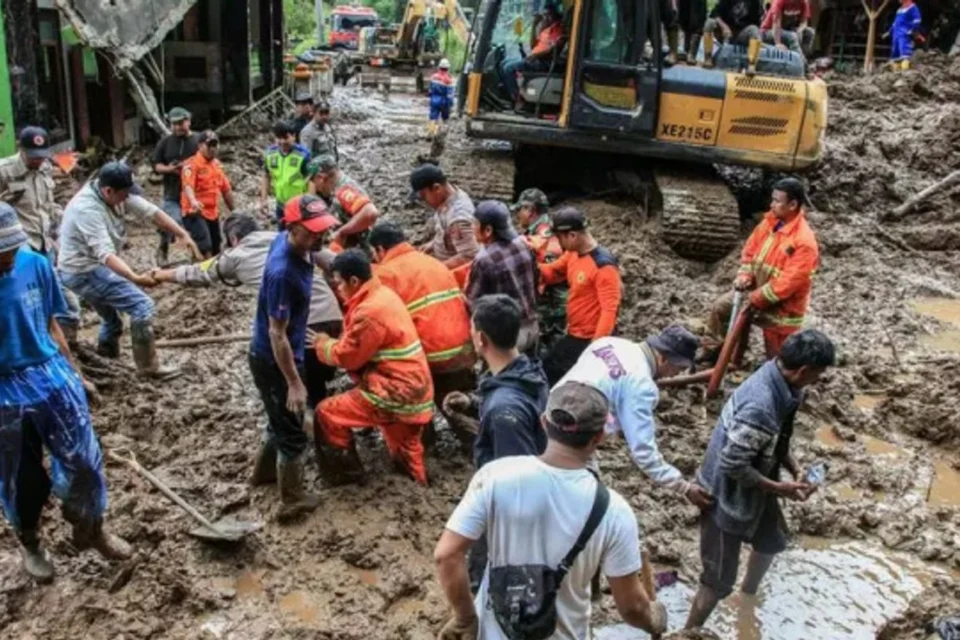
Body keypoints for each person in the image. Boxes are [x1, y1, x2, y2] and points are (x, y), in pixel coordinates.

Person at [434, 382, 668, 640]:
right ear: (600, 437)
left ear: (544, 423)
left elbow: (447, 555)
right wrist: (653, 618)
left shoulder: (495, 476)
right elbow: (632, 608)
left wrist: (465, 618)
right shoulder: (614, 511)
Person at [0, 205, 130, 584]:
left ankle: (91, 526)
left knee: (84, 462)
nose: (9, 258)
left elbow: (50, 322)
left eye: (12, 248)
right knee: (22, 478)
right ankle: (30, 541)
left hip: (49, 374)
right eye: (2, 253)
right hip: (4, 390)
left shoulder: (35, 264)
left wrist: (75, 373)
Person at [685, 330, 835, 630]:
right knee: (717, 582)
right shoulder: (761, 406)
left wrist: (795, 469)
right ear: (804, 370)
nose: (818, 380)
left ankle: (748, 598)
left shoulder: (784, 384)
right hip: (723, 494)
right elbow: (731, 463)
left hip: (756, 480)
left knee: (771, 542)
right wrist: (780, 489)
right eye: (818, 374)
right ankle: (688, 633)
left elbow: (776, 440)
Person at [150, 213, 343, 414]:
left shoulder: (235, 255)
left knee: (292, 390)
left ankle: (306, 420)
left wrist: (160, 275)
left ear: (233, 239)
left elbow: (198, 272)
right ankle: (324, 413)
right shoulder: (283, 237)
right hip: (333, 315)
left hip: (301, 327)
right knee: (319, 385)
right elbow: (332, 260)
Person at [58, 162, 200, 378]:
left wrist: (182, 234)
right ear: (109, 191)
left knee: (112, 320)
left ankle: (107, 359)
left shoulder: (115, 192)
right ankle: (148, 367)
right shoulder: (86, 209)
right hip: (83, 271)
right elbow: (106, 255)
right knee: (142, 306)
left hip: (90, 267)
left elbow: (152, 213)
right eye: (125, 194)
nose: (128, 198)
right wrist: (136, 278)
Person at [312, 249, 435, 486]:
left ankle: (345, 478)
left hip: (392, 390)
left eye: (339, 283)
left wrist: (323, 344)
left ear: (354, 281)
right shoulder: (384, 294)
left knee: (327, 414)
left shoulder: (369, 312)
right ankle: (419, 485)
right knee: (406, 445)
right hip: (416, 387)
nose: (338, 289)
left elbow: (348, 357)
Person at [248, 195, 339, 515]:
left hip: (279, 350)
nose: (320, 236)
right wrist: (294, 382)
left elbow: (322, 255)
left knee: (278, 420)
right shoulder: (283, 272)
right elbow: (277, 334)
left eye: (323, 229)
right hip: (274, 359)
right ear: (293, 228)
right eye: (313, 232)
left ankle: (263, 475)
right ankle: (292, 498)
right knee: (293, 432)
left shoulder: (295, 245)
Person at [557, 329, 714, 507]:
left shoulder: (609, 343)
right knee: (585, 501)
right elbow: (643, 451)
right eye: (679, 368)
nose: (676, 375)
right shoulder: (642, 385)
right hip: (573, 440)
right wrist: (683, 487)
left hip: (550, 412)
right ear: (663, 358)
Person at [368, 222, 474, 425]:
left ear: (380, 249)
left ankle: (425, 437)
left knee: (414, 415)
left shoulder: (385, 275)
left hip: (429, 360)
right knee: (462, 412)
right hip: (464, 352)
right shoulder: (434, 262)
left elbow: (383, 326)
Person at [705, 177, 819, 359]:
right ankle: (713, 355)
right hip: (754, 291)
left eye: (777, 201)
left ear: (793, 205)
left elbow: (788, 283)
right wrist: (745, 275)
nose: (771, 205)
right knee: (721, 309)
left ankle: (767, 366)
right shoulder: (769, 223)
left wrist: (757, 298)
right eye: (772, 199)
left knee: (778, 359)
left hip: (781, 309)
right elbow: (749, 252)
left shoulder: (804, 242)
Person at [444, 294, 548, 468]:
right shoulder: (531, 372)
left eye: (471, 331)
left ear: (481, 339)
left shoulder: (503, 411)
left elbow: (515, 476)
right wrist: (472, 403)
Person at [0, 126, 81, 339]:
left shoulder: (45, 167)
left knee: (62, 301)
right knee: (26, 298)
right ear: (21, 149)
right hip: (18, 247)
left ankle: (64, 344)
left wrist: (63, 222)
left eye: (41, 156)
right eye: (33, 156)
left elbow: (48, 204)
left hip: (45, 242)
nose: (37, 161)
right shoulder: (4, 171)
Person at [539, 207, 622, 385]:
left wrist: (594, 350)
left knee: (552, 374)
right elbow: (553, 272)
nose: (558, 242)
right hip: (574, 332)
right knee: (548, 368)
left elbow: (609, 311)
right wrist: (528, 264)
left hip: (588, 339)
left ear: (572, 236)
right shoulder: (573, 254)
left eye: (559, 237)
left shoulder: (603, 267)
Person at [464, 200, 539, 354]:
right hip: (532, 326)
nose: (472, 227)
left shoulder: (484, 259)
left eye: (474, 224)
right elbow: (536, 279)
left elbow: (472, 303)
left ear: (488, 230)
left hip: (509, 338)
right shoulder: (523, 244)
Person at [512, 188, 567, 352]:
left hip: (552, 306)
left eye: (519, 210)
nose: (517, 215)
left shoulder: (545, 234)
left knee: (548, 349)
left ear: (530, 210)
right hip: (547, 304)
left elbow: (551, 273)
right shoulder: (537, 231)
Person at [151, 107, 198, 264]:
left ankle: (196, 253)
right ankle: (163, 248)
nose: (177, 127)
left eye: (180, 123)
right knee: (171, 220)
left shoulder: (198, 141)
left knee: (195, 223)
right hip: (172, 192)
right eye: (174, 124)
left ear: (188, 121)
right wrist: (170, 169)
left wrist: (189, 168)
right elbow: (156, 165)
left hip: (195, 193)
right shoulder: (165, 142)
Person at [410, 164, 479, 270]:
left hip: (454, 273)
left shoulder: (458, 220)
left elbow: (469, 256)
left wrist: (436, 269)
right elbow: (445, 231)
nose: (424, 201)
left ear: (436, 188)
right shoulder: (447, 197)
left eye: (423, 196)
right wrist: (433, 244)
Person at [306, 155, 380, 252]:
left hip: (361, 252)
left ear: (321, 178)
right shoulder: (336, 187)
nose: (314, 185)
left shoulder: (344, 190)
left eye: (313, 180)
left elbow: (370, 213)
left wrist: (341, 232)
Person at [180, 130, 235, 258]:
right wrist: (193, 201)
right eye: (209, 145)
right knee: (206, 246)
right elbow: (188, 185)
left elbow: (226, 189)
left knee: (217, 246)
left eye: (215, 145)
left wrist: (234, 211)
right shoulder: (191, 164)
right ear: (200, 146)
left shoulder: (217, 165)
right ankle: (205, 267)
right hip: (194, 212)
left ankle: (209, 265)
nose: (212, 149)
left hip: (212, 212)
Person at [500, 4, 565, 104]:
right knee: (504, 63)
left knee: (509, 68)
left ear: (555, 15)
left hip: (544, 62)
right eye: (544, 15)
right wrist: (535, 25)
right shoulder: (546, 29)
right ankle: (509, 93)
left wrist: (535, 56)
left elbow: (553, 50)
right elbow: (533, 45)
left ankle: (517, 99)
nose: (545, 18)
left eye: (548, 15)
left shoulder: (557, 29)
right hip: (536, 58)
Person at [260, 120, 311, 223]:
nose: (283, 142)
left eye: (286, 137)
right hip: (280, 204)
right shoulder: (270, 154)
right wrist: (263, 200)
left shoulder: (303, 155)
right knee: (281, 231)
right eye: (279, 138)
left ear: (293, 136)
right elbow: (266, 176)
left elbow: (311, 180)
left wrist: (309, 205)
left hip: (299, 205)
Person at [701, 0, 764, 66]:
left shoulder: (755, 2)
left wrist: (756, 38)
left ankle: (752, 65)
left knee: (754, 29)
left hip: (741, 34)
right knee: (710, 22)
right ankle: (708, 58)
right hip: (723, 31)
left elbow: (756, 24)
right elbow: (714, 13)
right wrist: (723, 26)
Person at [884, 0, 922, 70]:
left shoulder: (913, 8)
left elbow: (917, 20)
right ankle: (896, 69)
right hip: (896, 35)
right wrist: (890, 31)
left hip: (904, 35)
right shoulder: (899, 10)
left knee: (905, 52)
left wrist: (911, 31)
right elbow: (895, 22)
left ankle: (905, 68)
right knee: (895, 52)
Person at [428, 58, 455, 137]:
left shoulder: (433, 77)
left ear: (439, 67)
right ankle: (443, 134)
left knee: (433, 117)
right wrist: (451, 104)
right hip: (444, 101)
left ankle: (431, 133)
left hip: (434, 100)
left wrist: (431, 98)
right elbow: (450, 94)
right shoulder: (449, 79)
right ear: (448, 68)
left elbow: (430, 91)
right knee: (445, 118)